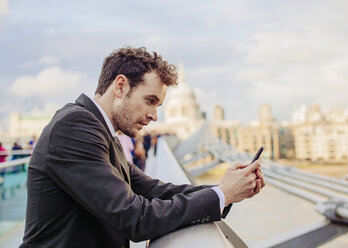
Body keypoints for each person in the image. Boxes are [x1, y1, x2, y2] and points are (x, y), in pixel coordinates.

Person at [21, 46, 265, 248]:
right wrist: (223, 194)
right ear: (120, 87)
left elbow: (156, 191)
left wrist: (226, 189)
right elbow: (134, 218)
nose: (154, 116)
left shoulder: (102, 131)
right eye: (150, 101)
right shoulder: (76, 126)